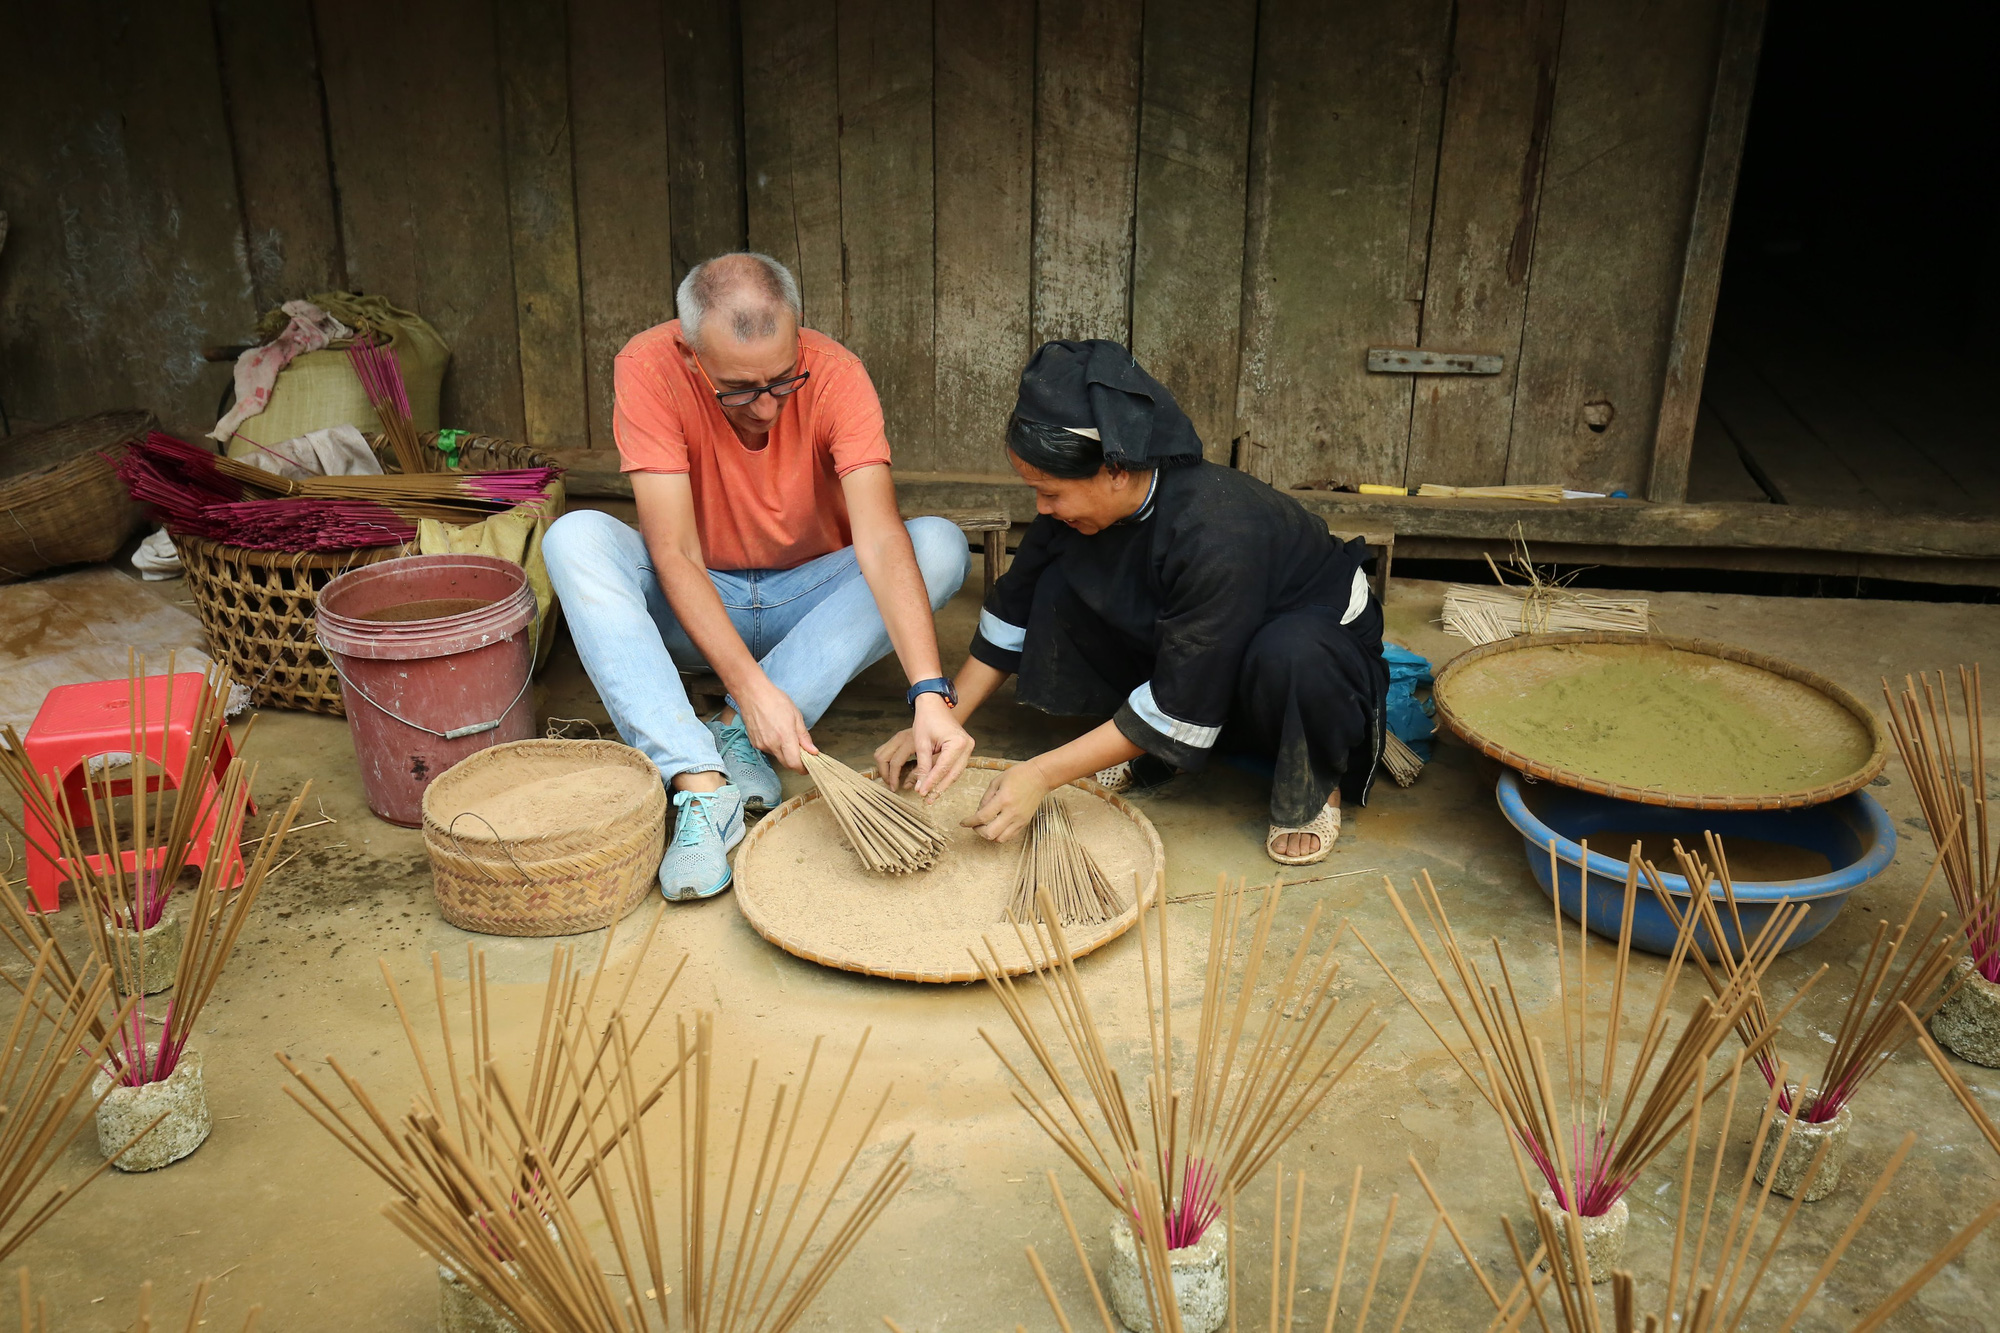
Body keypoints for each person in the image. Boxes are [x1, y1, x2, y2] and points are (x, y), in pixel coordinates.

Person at [543, 253, 973, 900]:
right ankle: (698, 777)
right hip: (697, 597)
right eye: (740, 389)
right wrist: (755, 688)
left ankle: (736, 730)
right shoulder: (649, 366)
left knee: (937, 544)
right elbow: (675, 553)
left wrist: (930, 693)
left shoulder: (835, 373)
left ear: (798, 336)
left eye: (782, 380)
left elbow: (883, 541)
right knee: (573, 537)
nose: (768, 407)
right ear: (692, 354)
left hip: (806, 599)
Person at [875, 340, 1387, 866]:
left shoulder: (1218, 530)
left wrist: (1040, 773)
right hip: (1206, 644)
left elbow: (1186, 686)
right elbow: (1014, 613)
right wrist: (941, 717)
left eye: (1050, 491)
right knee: (1058, 584)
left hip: (1305, 648)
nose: (1040, 506)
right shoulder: (1073, 514)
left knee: (1292, 653)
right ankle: (1153, 749)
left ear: (1116, 470)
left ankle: (1313, 783)